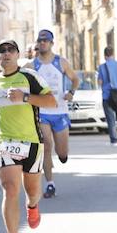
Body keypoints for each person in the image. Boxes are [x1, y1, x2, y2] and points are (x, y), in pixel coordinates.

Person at [0, 39, 56, 233]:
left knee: (32, 191)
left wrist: (24, 97)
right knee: (10, 189)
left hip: (32, 141)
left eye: (10, 50)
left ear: (17, 54)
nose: (6, 54)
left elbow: (51, 101)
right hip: (6, 141)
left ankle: (32, 207)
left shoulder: (30, 76)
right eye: (1, 51)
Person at [30, 29, 79, 199]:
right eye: (40, 40)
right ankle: (50, 184)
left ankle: (62, 156)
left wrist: (71, 93)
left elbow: (75, 79)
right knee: (45, 145)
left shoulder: (61, 62)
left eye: (46, 40)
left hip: (60, 112)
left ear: (51, 43)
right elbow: (18, 79)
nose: (42, 43)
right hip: (42, 112)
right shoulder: (32, 65)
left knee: (62, 152)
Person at [97, 46, 117, 147]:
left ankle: (114, 141)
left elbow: (100, 82)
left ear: (104, 55)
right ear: (113, 54)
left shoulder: (102, 67)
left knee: (111, 119)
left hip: (107, 96)